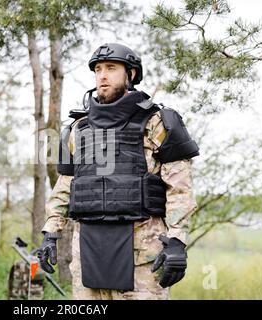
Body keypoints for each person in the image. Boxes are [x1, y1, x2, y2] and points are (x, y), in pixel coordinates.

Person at [34, 43, 200, 300]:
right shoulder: (79, 129)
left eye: (111, 68)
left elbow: (180, 187)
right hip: (88, 252)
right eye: (98, 69)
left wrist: (177, 241)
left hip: (142, 254)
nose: (102, 75)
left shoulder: (157, 122)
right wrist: (50, 234)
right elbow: (66, 185)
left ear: (131, 74)